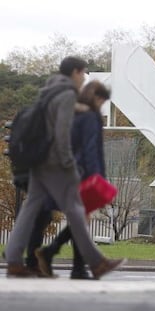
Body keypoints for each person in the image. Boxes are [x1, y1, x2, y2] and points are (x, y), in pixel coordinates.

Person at [5, 56, 126, 279]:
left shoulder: (50, 89)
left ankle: (13, 259)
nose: (83, 79)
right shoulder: (68, 94)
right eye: (83, 73)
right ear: (76, 72)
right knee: (76, 210)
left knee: (30, 210)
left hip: (38, 160)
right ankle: (96, 262)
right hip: (55, 162)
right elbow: (61, 132)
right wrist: (68, 163)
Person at [35, 80, 110, 280]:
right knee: (81, 221)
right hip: (83, 174)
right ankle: (62, 259)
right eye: (102, 101)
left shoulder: (72, 114)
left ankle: (69, 262)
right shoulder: (90, 117)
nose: (102, 106)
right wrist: (98, 177)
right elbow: (91, 149)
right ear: (97, 97)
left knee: (80, 220)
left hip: (65, 173)